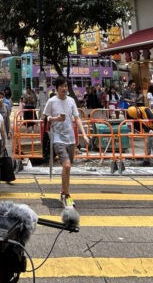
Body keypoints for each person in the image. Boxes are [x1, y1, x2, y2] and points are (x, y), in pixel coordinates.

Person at [42, 77, 89, 208]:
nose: (64, 88)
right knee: (67, 166)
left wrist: (84, 135)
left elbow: (77, 118)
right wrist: (56, 118)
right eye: (62, 86)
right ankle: (67, 195)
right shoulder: (51, 101)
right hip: (57, 138)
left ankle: (63, 192)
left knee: (67, 169)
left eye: (66, 86)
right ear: (56, 88)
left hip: (71, 139)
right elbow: (44, 118)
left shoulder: (71, 101)